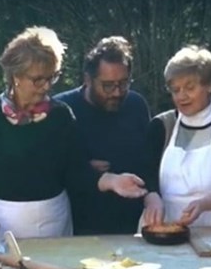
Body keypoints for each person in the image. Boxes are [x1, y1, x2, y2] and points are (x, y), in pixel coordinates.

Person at [0, 26, 147, 247]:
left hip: (52, 224)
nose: (46, 87)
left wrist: (112, 181)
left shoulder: (60, 115)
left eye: (51, 78)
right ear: (16, 76)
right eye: (38, 80)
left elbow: (76, 171)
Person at [142, 46, 211, 228]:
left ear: (210, 85)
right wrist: (152, 198)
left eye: (190, 88)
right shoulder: (162, 125)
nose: (181, 96)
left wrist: (203, 204)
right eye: (175, 90)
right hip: (166, 223)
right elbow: (146, 175)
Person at [53, 36, 151, 235]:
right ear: (88, 80)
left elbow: (150, 161)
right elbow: (49, 170)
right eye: (108, 85)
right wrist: (86, 170)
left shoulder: (137, 105)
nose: (116, 92)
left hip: (133, 225)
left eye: (124, 83)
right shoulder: (62, 110)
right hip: (80, 228)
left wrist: (153, 196)